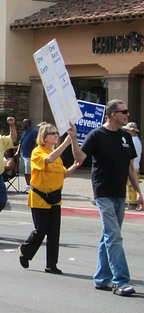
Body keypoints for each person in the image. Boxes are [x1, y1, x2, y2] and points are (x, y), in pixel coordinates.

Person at [76, 99, 144, 296]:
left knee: (109, 236)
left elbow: (131, 167)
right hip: (103, 192)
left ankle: (101, 278)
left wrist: (138, 192)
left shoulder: (125, 136)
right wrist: (72, 139)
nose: (128, 115)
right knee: (114, 236)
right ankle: (120, 281)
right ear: (113, 114)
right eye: (124, 111)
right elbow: (80, 158)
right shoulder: (97, 135)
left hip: (119, 194)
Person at [18, 123, 82, 274]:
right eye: (52, 133)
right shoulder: (38, 152)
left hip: (54, 197)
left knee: (54, 233)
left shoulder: (56, 156)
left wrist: (74, 166)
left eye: (56, 133)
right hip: (40, 196)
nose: (55, 135)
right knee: (41, 230)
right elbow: (48, 160)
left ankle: (51, 264)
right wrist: (67, 142)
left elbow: (62, 174)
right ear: (43, 137)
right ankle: (24, 249)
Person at [123, 122, 142, 208]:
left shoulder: (132, 141)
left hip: (131, 166)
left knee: (130, 185)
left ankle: (132, 201)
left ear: (132, 131)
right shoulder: (137, 141)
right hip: (135, 166)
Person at [18, 119, 38, 193]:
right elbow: (21, 142)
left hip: (29, 155)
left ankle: (31, 186)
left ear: (28, 124)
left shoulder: (34, 132)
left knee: (29, 171)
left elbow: (36, 142)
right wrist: (18, 152)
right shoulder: (24, 132)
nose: (23, 125)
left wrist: (34, 153)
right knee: (25, 171)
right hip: (23, 155)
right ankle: (28, 186)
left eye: (24, 123)